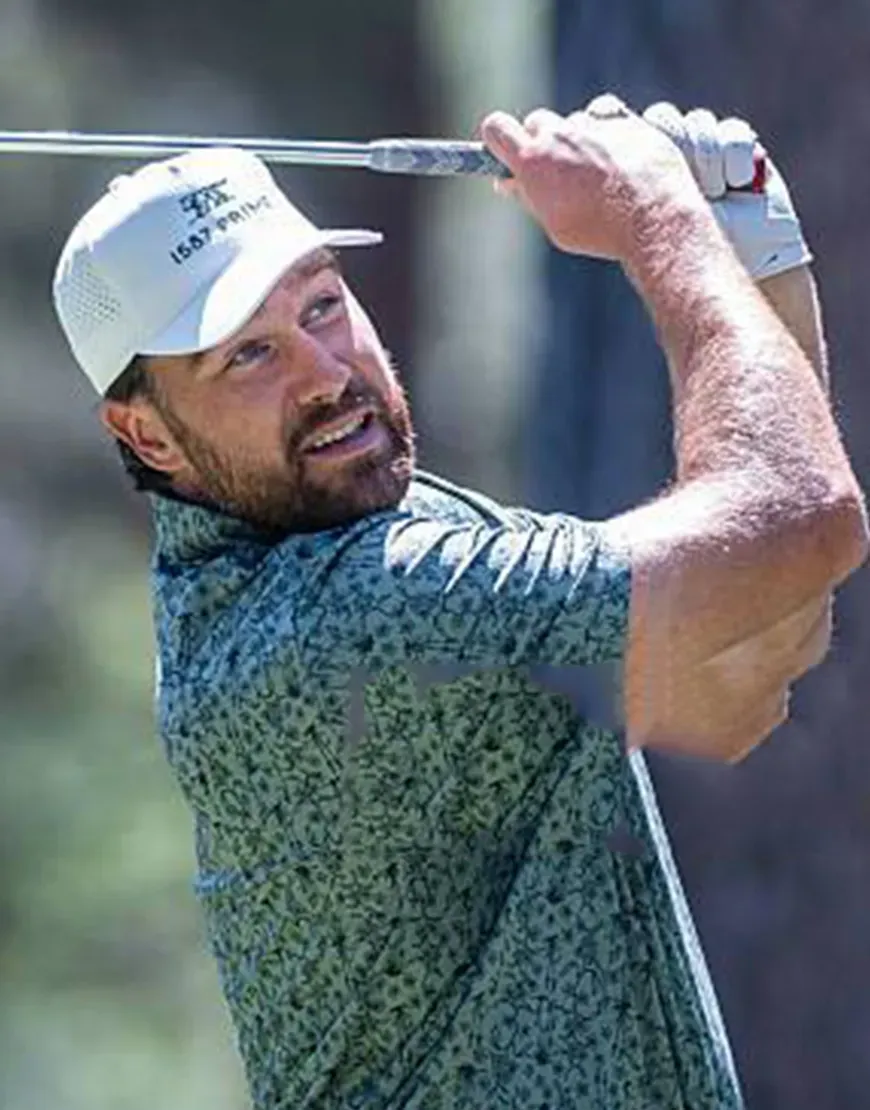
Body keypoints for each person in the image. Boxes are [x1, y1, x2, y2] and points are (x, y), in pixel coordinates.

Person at [51, 94, 866, 1110]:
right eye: (247, 354)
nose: (326, 374)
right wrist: (661, 216)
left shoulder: (379, 532)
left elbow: (748, 661)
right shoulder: (346, 621)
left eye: (320, 304)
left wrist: (754, 240)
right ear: (148, 435)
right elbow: (802, 516)